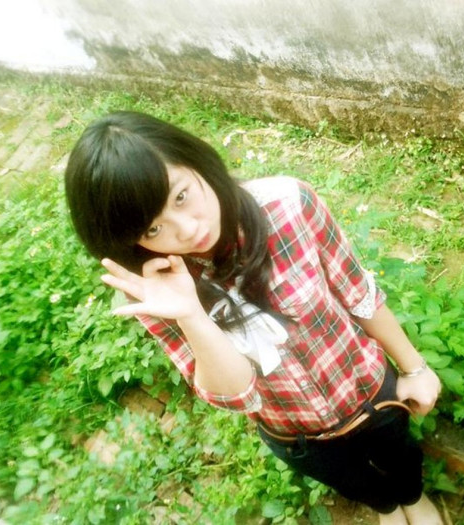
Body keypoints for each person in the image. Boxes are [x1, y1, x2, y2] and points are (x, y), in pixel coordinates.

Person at [64, 111, 443, 525]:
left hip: (370, 391)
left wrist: (414, 367)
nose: (186, 229)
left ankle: (413, 497)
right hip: (298, 435)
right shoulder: (154, 292)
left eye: (181, 196)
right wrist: (191, 314)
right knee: (353, 481)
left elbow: (358, 293)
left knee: (401, 455)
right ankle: (387, 507)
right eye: (153, 230)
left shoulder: (289, 205)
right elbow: (238, 394)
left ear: (196, 161)